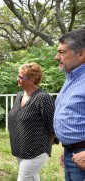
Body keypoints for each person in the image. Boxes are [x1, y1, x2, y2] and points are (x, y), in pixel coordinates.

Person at [8, 62, 55, 181]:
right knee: (33, 178)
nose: (17, 79)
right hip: (21, 148)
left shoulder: (43, 98)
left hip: (37, 150)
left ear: (32, 79)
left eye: (20, 77)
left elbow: (52, 124)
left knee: (23, 178)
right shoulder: (19, 96)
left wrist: (48, 141)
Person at [54, 29, 85, 180]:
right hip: (72, 153)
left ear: (81, 53)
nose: (56, 57)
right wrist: (70, 147)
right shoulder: (72, 78)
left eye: (61, 52)